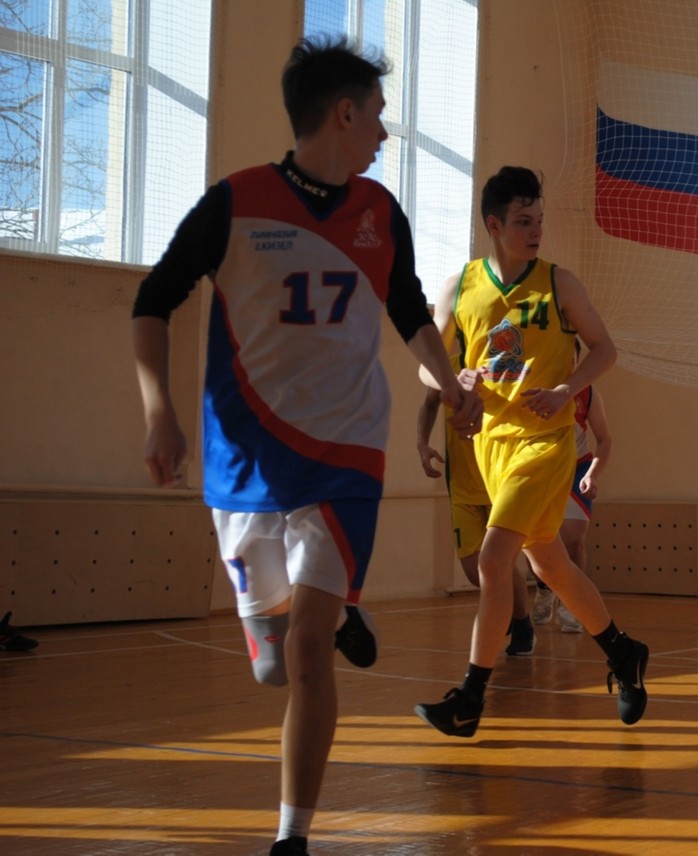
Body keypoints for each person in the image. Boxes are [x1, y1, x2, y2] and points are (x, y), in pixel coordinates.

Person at [131, 36, 480, 856]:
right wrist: (159, 413)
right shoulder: (236, 202)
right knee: (272, 667)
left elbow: (409, 312)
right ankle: (324, 613)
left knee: (311, 653)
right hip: (245, 459)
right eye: (379, 117)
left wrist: (451, 384)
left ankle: (292, 837)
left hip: (345, 455)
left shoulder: (381, 213)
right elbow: (153, 298)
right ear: (344, 113)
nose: (385, 134)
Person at [413, 166, 649, 737]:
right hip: (489, 447)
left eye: (539, 220)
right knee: (550, 564)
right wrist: (452, 380)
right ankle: (622, 651)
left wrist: (567, 389)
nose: (536, 230)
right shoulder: (459, 286)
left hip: (545, 443)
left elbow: (605, 349)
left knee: (494, 561)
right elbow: (427, 365)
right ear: (494, 225)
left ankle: (470, 697)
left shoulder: (559, 284)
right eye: (523, 221)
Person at [418, 380, 536, 655]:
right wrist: (421, 443)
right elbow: (429, 403)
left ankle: (522, 623)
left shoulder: (501, 366)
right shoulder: (445, 367)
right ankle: (507, 610)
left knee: (501, 561)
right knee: (475, 570)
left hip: (500, 482)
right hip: (462, 486)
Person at [533, 383, 613, 632]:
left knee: (574, 540)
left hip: (577, 468)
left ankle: (571, 604)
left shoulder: (588, 393)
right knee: (536, 542)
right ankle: (544, 588)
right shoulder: (535, 384)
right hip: (540, 470)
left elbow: (605, 439)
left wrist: (592, 474)